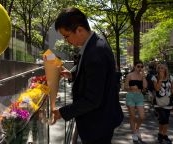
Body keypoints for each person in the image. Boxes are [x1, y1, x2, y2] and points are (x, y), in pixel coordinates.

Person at [51, 7, 124, 144]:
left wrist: (61, 112)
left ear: (79, 30)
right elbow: (94, 77)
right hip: (101, 121)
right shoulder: (95, 45)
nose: (67, 41)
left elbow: (92, 100)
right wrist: (72, 75)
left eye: (66, 36)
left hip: (98, 125)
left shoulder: (95, 52)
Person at [124, 61, 147, 142]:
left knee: (142, 116)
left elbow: (145, 87)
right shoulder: (129, 75)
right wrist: (131, 88)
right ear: (134, 66)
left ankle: (137, 129)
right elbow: (125, 87)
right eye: (138, 66)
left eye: (141, 67)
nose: (139, 68)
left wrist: (144, 77)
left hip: (139, 96)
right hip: (131, 96)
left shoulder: (142, 76)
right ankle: (134, 133)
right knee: (132, 116)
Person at [151, 63, 173, 144]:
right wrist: (160, 79)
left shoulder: (170, 77)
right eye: (159, 68)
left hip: (168, 101)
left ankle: (162, 134)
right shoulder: (155, 77)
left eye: (163, 68)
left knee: (165, 119)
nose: (161, 69)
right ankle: (163, 135)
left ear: (165, 69)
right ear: (157, 69)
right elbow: (157, 89)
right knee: (163, 118)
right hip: (158, 102)